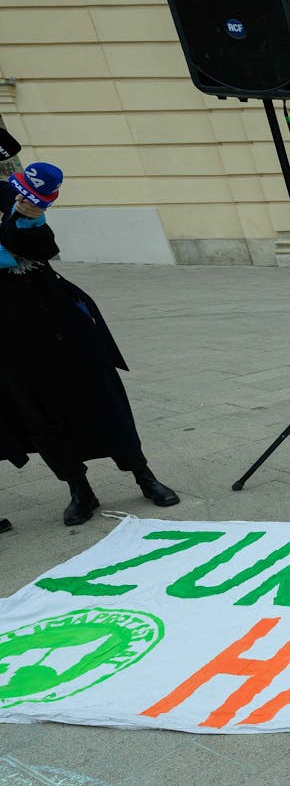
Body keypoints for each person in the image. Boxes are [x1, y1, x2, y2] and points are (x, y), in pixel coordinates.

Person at [0, 161, 181, 525]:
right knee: (40, 414)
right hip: (8, 335)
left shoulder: (9, 192)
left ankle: (143, 474)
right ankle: (79, 489)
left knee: (103, 397)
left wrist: (26, 219)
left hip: (53, 315)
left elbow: (43, 249)